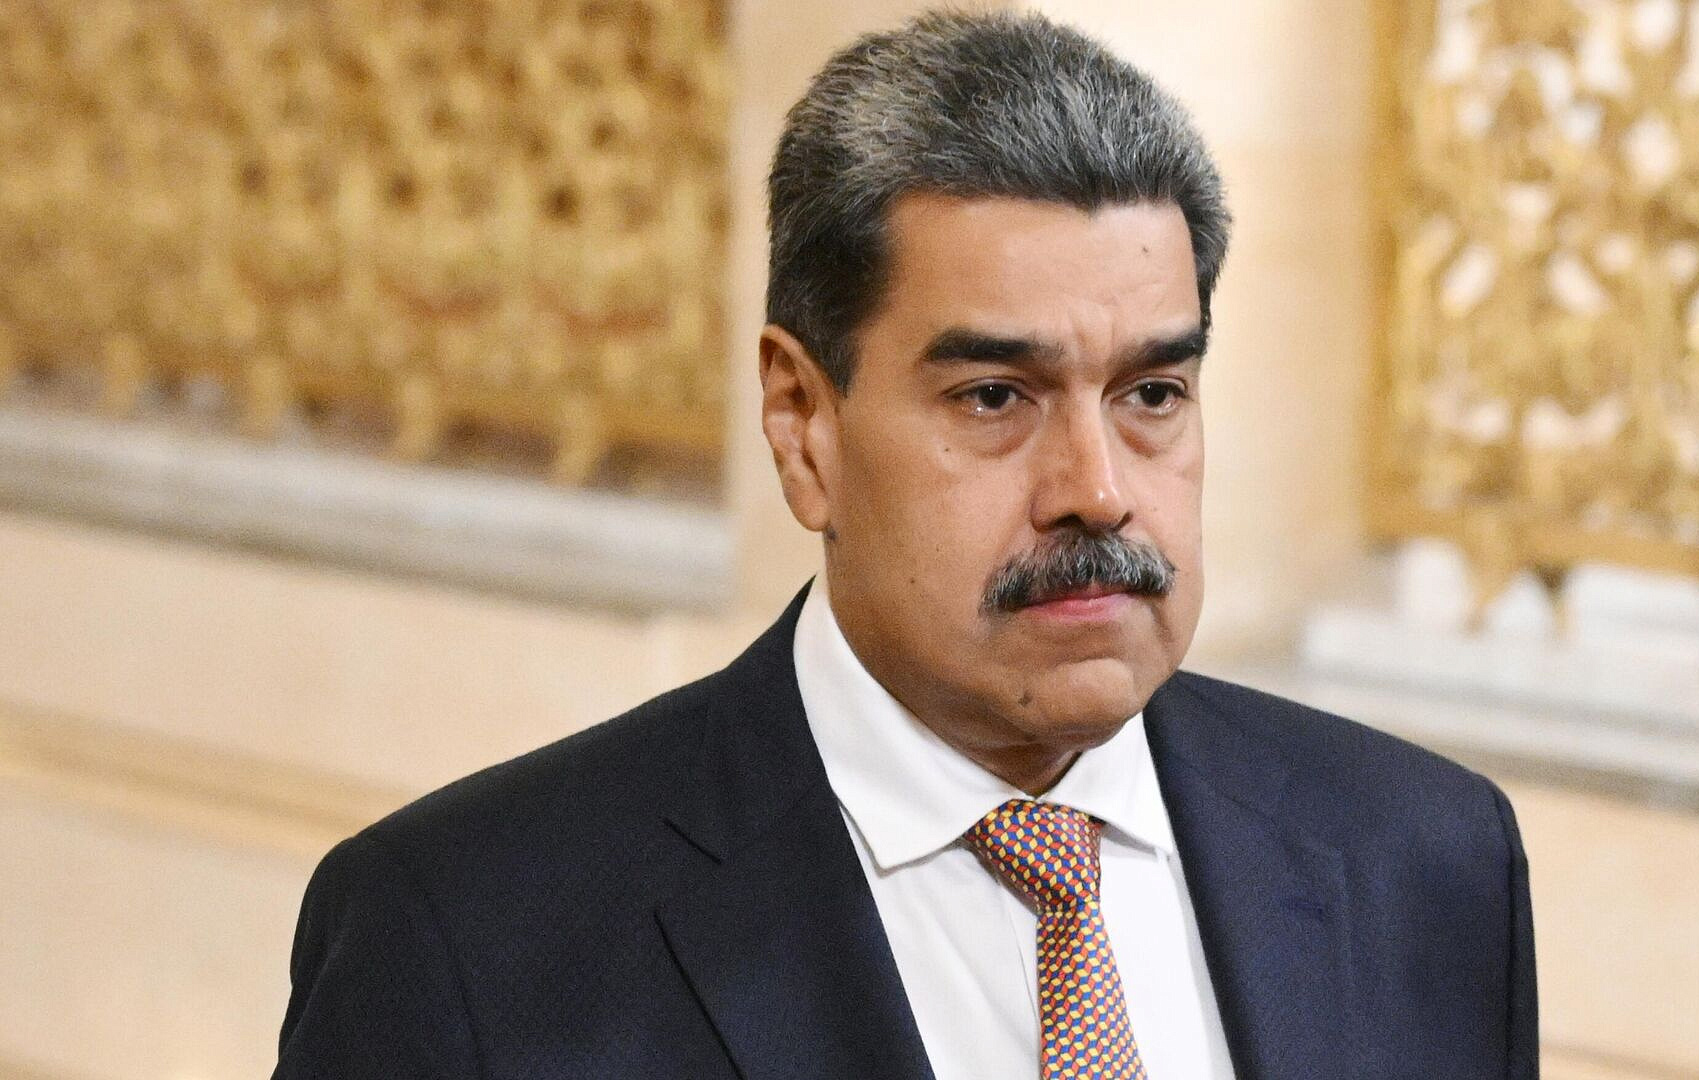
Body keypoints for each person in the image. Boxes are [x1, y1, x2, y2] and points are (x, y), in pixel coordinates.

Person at [272, 11, 1537, 1079]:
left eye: (1152, 393)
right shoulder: (469, 949)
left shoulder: (1426, 863)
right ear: (803, 425)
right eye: (994, 398)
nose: (1098, 492)